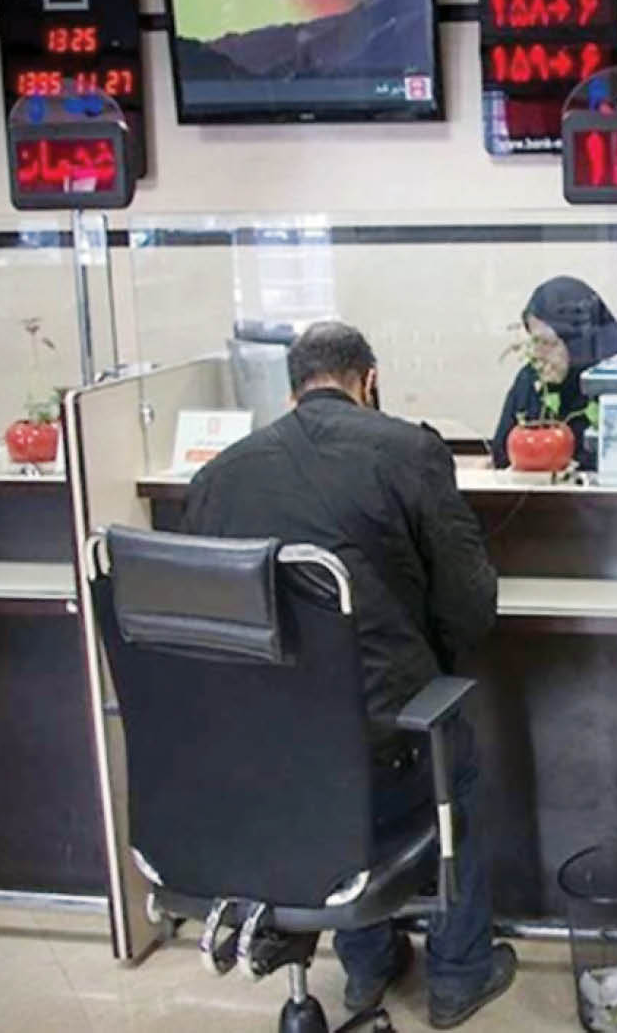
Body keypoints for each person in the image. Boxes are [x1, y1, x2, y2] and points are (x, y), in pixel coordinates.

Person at [182, 321, 515, 1030]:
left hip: (265, 743)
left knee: (329, 763)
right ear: (369, 380)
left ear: (291, 391)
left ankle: (367, 963)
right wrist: (436, 661)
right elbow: (471, 602)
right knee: (440, 746)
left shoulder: (217, 477)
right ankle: (459, 975)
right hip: (385, 735)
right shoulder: (409, 450)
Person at [491, 276, 617, 469]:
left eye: (547, 343)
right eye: (534, 341)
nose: (537, 354)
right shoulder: (530, 380)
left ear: (578, 343)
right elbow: (501, 456)